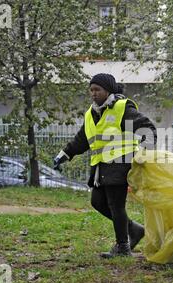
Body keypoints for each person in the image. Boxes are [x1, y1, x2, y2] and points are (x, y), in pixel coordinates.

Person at [53, 73, 157, 258]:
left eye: (97, 89)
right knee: (98, 202)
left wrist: (144, 150)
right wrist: (64, 154)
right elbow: (82, 139)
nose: (93, 93)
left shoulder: (121, 108)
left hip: (120, 163)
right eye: (91, 90)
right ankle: (133, 230)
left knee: (115, 205)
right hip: (101, 166)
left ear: (108, 90)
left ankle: (123, 247)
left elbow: (147, 127)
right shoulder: (91, 113)